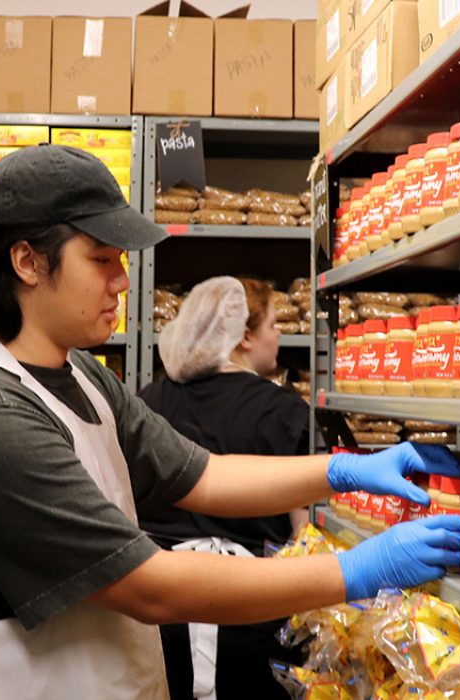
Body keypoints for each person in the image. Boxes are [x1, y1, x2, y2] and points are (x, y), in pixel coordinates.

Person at [0, 144, 460, 700]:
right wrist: (356, 570)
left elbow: (204, 475)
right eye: (101, 259)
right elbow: (150, 587)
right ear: (27, 261)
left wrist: (343, 471)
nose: (122, 282)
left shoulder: (80, 373)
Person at [137, 275, 311, 699]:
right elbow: (306, 533)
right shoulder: (284, 411)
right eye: (273, 325)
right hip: (253, 617)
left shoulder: (150, 401)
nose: (279, 335)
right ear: (245, 337)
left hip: (161, 616)